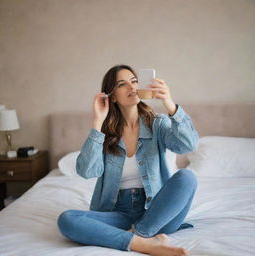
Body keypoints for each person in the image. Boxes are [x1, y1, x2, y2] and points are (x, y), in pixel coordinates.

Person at [57, 64, 199, 256]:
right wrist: (97, 123)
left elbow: (188, 145)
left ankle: (138, 234)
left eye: (134, 82)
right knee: (67, 219)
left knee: (187, 177)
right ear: (112, 95)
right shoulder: (105, 134)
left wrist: (170, 104)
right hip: (118, 213)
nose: (132, 88)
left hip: (158, 211)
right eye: (122, 84)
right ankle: (145, 242)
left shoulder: (158, 124)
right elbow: (87, 171)